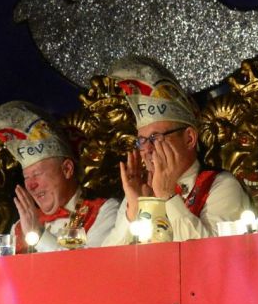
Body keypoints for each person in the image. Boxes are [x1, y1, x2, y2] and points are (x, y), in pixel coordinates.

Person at [98, 55, 247, 244]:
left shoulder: (221, 186)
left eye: (155, 138)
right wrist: (133, 208)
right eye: (142, 140)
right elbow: (108, 258)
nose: (147, 149)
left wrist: (167, 195)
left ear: (189, 138)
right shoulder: (140, 193)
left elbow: (209, 253)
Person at [0, 101, 120, 250]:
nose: (31, 185)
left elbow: (92, 265)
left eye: (37, 174)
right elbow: (7, 269)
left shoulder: (103, 211)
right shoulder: (21, 226)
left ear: (67, 169)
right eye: (26, 177)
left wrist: (39, 235)